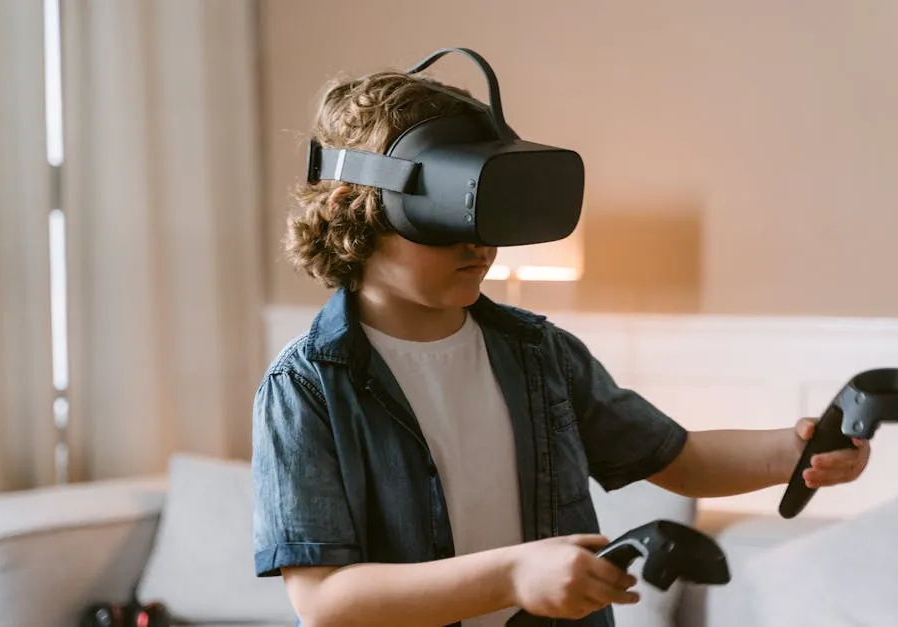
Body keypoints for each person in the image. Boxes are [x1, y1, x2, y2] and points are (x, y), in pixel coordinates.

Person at [251, 69, 871, 627]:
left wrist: (797, 452)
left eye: (488, 216)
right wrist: (515, 575)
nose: (480, 246)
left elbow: (679, 459)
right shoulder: (305, 387)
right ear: (351, 210)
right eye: (444, 218)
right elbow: (325, 601)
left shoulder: (539, 353)